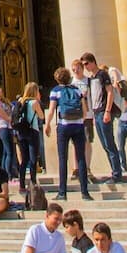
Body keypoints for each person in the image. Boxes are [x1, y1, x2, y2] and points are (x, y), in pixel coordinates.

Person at [46, 67, 93, 201]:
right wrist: (81, 120)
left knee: (63, 159)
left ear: (57, 78)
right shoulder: (76, 90)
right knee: (81, 158)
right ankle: (85, 192)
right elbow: (84, 110)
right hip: (78, 125)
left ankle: (62, 192)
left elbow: (51, 110)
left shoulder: (56, 91)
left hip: (64, 125)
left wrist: (48, 124)